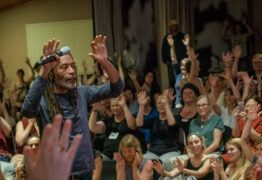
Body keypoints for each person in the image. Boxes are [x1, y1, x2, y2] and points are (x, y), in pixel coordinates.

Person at [22, 35, 125, 179]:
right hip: (56, 172)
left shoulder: (82, 92)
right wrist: (44, 70)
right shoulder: (43, 98)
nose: (71, 71)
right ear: (52, 73)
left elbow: (117, 88)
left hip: (84, 171)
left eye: (73, 66)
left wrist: (104, 62)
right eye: (64, 67)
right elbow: (27, 110)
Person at [23, 114, 82, 180]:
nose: (34, 147)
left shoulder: (53, 164)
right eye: (31, 145)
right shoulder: (23, 164)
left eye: (36, 144)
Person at [136, 93, 180, 171]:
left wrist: (166, 105)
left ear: (170, 105)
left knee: (163, 162)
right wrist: (141, 106)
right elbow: (139, 123)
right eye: (159, 103)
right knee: (141, 161)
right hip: (153, 152)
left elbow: (171, 123)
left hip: (171, 151)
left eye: (164, 103)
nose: (161, 105)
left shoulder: (175, 118)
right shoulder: (154, 120)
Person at [161, 19, 187, 88]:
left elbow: (187, 49)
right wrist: (166, 61)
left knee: (184, 81)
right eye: (172, 25)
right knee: (172, 82)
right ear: (170, 27)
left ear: (177, 26)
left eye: (175, 25)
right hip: (172, 64)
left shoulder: (182, 36)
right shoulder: (167, 38)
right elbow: (163, 50)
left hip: (183, 64)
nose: (174, 27)